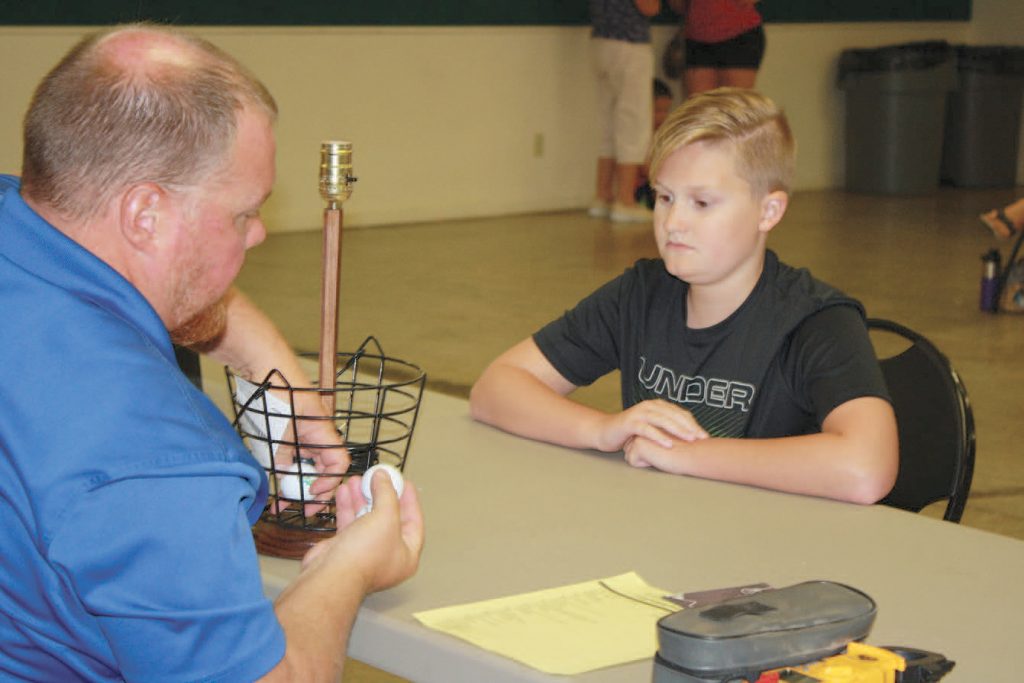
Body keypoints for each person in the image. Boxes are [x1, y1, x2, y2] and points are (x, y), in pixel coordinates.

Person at [0, 23, 424, 681]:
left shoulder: (24, 220)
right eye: (241, 214)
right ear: (145, 216)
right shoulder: (154, 456)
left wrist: (270, 370)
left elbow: (153, 288)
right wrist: (348, 567)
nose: (257, 235)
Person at [471, 88, 898, 505]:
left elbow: (867, 469)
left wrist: (689, 456)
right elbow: (495, 387)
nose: (673, 222)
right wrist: (602, 430)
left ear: (769, 211)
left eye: (702, 202)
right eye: (665, 197)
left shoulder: (817, 321)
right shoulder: (640, 295)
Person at [587, 0, 662, 223]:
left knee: (608, 124)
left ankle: (602, 195)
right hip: (629, 44)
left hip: (600, 42)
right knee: (633, 123)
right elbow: (649, 7)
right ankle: (625, 199)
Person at [669, 0, 765, 96]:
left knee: (733, 101)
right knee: (698, 102)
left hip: (739, 33)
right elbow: (678, 6)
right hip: (697, 37)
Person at [635, 78, 675, 208]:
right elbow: (641, 167)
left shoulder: (662, 134)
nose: (663, 116)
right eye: (657, 111)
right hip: (641, 187)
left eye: (666, 111)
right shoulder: (639, 135)